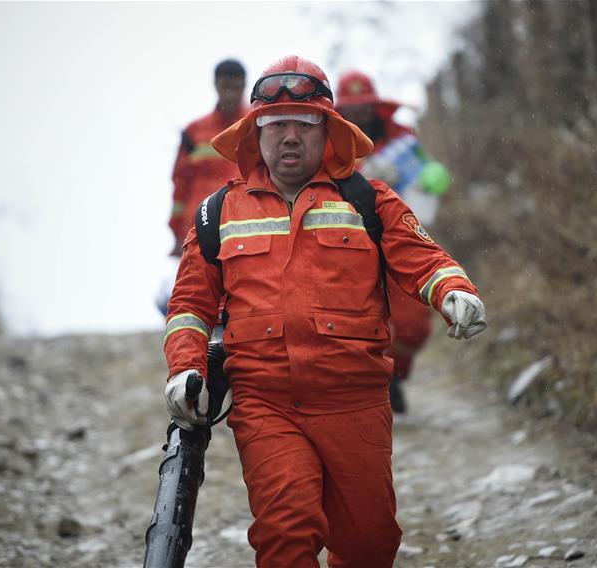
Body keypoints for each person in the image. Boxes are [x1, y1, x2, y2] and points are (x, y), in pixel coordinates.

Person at [162, 55, 486, 568]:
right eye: (276, 124)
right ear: (255, 133)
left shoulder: (369, 201)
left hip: (355, 403)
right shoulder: (217, 212)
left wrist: (452, 290)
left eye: (305, 123)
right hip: (266, 404)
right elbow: (189, 307)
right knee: (285, 538)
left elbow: (424, 258)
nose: (290, 136)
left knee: (369, 544)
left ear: (329, 131)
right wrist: (185, 369)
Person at [335, 69, 452, 414]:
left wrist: (434, 177)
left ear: (374, 105)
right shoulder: (329, 143)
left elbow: (427, 169)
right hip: (348, 247)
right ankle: (372, 389)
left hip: (401, 241)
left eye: (363, 106)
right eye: (350, 108)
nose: (357, 114)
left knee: (414, 325)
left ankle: (394, 377)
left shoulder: (402, 138)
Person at [168, 59, 248, 256]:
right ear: (215, 85)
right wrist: (177, 231)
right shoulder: (195, 132)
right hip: (198, 229)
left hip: (244, 224)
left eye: (235, 86)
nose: (230, 92)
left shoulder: (257, 126)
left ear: (244, 86)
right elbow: (181, 183)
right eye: (225, 86)